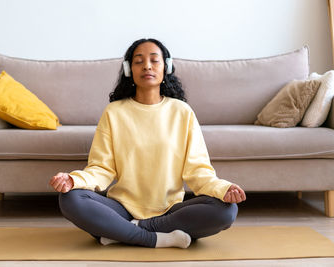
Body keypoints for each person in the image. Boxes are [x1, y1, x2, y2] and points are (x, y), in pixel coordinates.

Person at [49, 38, 246, 249]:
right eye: (139, 61)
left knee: (227, 209)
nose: (147, 66)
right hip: (121, 207)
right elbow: (101, 169)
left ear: (166, 67)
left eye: (154, 60)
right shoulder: (114, 112)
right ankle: (156, 238)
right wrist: (73, 180)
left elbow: (198, 171)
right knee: (70, 199)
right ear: (128, 69)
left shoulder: (182, 112)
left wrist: (223, 188)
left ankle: (123, 231)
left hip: (170, 209)